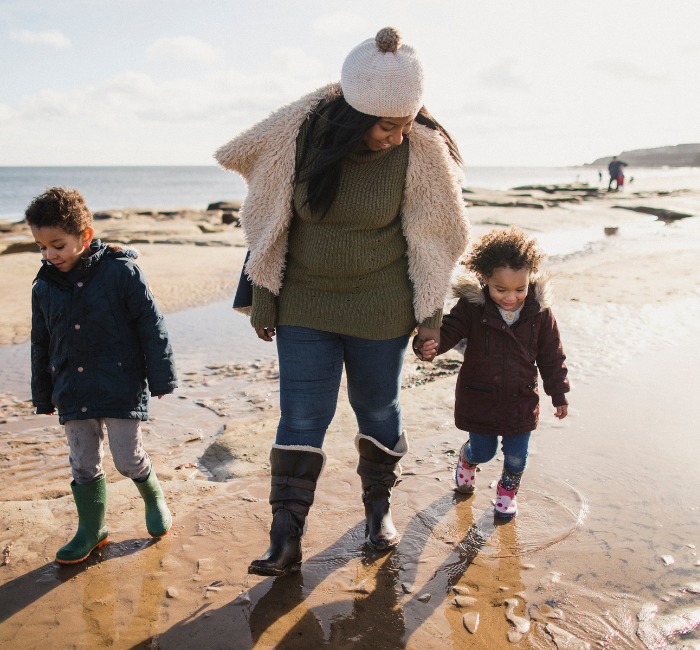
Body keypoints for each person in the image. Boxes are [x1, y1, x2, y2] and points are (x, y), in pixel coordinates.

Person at [215, 27, 470, 576]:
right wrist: (264, 298)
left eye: (407, 123)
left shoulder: (418, 153)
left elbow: (435, 236)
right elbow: (267, 223)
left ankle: (378, 510)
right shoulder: (299, 139)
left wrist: (430, 318)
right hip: (306, 305)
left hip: (380, 309)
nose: (399, 136)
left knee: (376, 409)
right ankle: (284, 540)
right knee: (302, 416)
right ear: (356, 115)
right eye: (388, 126)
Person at [27, 187, 177, 564]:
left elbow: (151, 325)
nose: (49, 255)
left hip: (120, 383)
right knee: (83, 463)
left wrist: (161, 377)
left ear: (85, 236)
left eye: (58, 245)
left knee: (127, 459)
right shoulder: (44, 285)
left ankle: (153, 496)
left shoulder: (121, 272)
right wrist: (43, 394)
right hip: (71, 387)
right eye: (42, 247)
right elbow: (40, 342)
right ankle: (92, 529)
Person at [414, 228, 569, 519]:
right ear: (485, 280)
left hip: (520, 397)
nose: (511, 297)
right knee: (483, 451)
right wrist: (429, 345)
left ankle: (506, 494)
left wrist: (558, 392)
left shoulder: (540, 313)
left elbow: (552, 355)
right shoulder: (473, 307)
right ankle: (467, 459)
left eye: (520, 289)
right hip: (480, 396)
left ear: (530, 279)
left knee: (516, 456)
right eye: (501, 290)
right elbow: (447, 332)